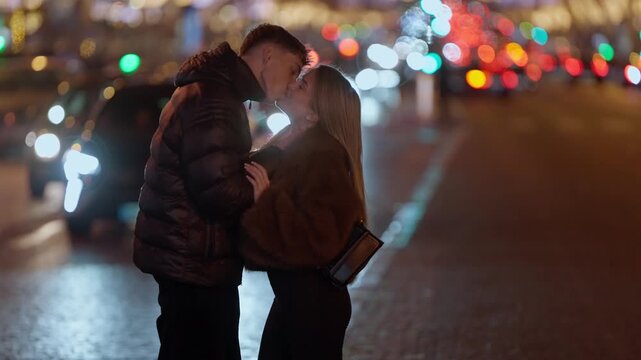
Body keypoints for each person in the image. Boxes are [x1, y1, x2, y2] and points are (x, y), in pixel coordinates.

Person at [133, 24, 308, 360]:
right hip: (194, 259)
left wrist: (272, 152)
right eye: (292, 71)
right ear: (268, 55)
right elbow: (218, 193)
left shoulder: (215, 91)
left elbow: (218, 167)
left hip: (190, 256)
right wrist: (260, 193)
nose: (290, 84)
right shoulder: (215, 98)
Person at [241, 65, 366, 360]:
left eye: (302, 85)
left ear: (314, 114)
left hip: (313, 307)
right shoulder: (296, 145)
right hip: (296, 301)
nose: (291, 85)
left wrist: (267, 202)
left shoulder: (323, 156)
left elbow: (319, 237)